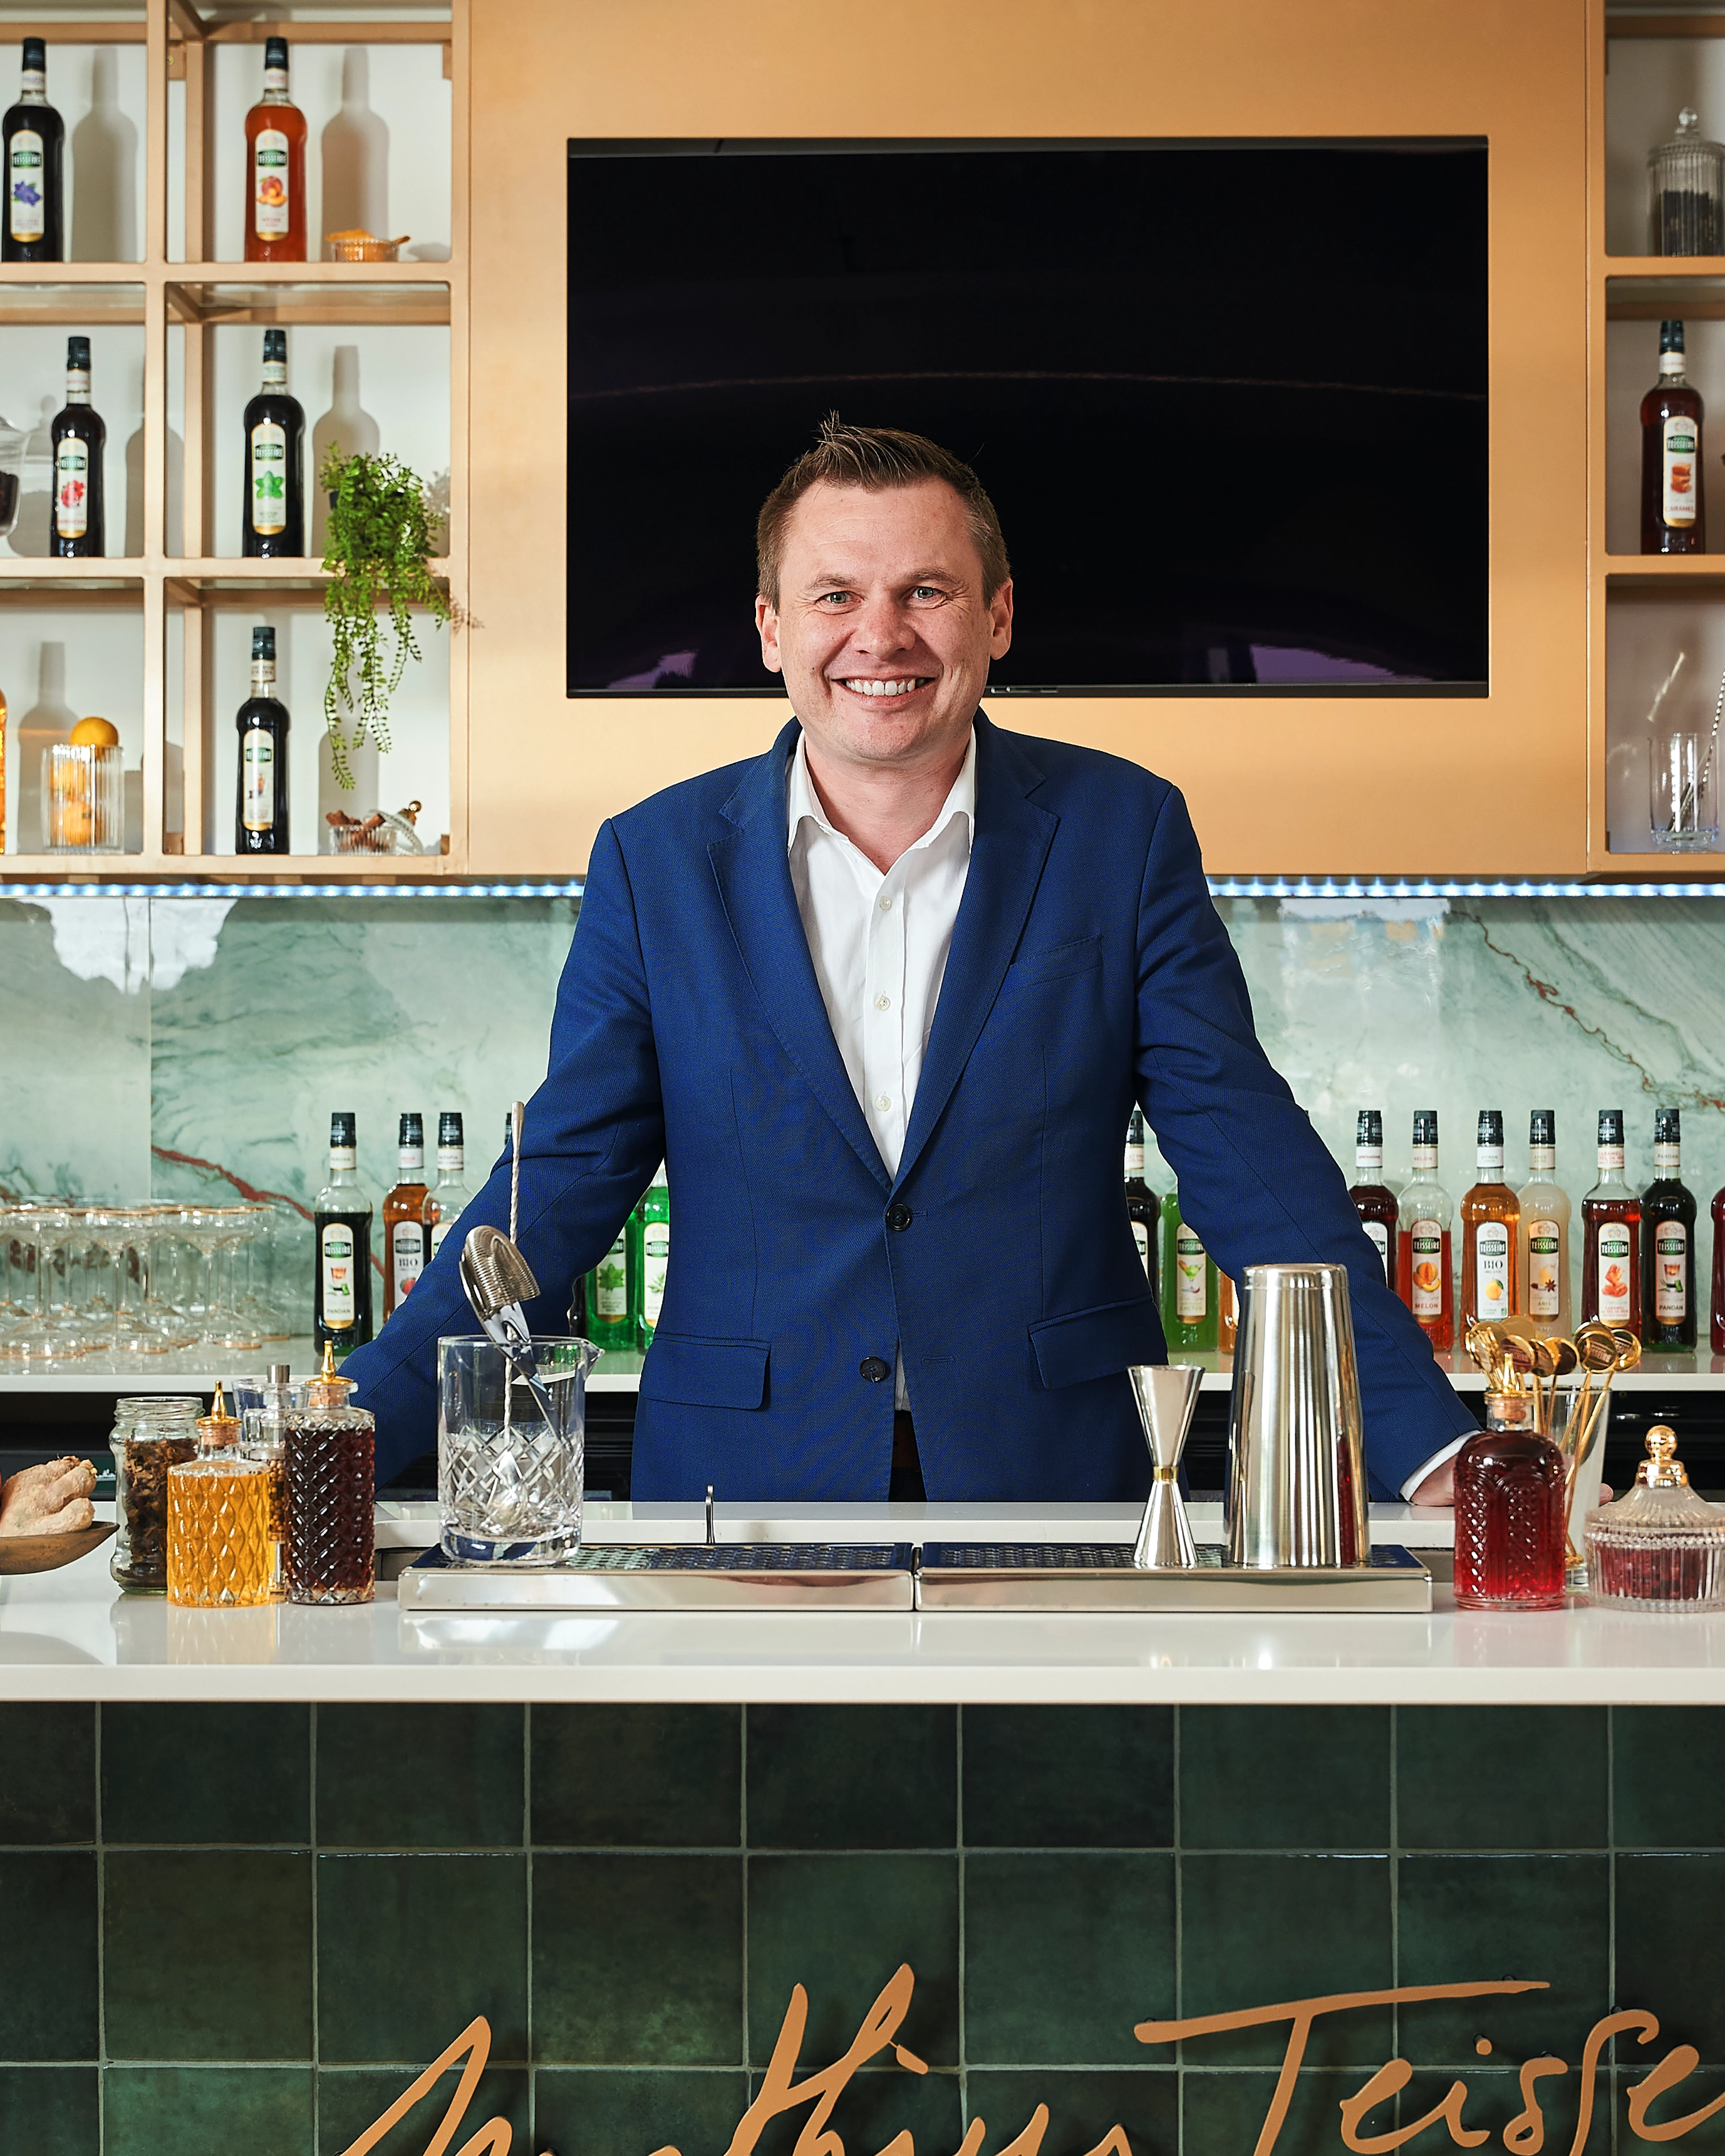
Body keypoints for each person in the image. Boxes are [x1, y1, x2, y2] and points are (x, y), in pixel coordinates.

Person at [344, 419, 1476, 1503]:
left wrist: (1429, 1449)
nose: (879, 636)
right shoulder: (655, 861)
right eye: (835, 595)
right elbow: (556, 1188)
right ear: (772, 628)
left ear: (999, 617)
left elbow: (1247, 1158)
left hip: (1055, 1471)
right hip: (742, 1482)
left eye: (924, 592)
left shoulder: (1121, 835)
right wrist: (351, 1434)